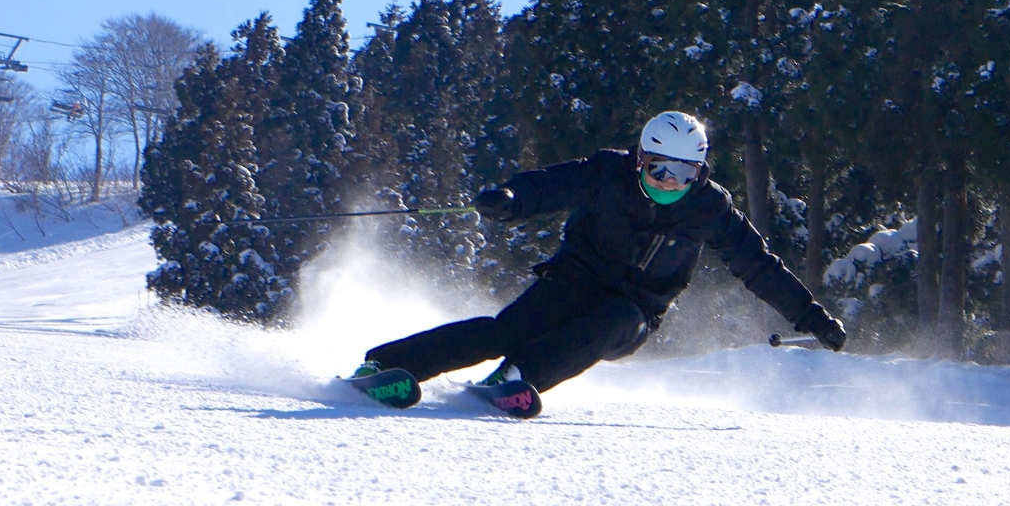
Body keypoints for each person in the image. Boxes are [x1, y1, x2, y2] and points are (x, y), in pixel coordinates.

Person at [350, 111, 847, 413]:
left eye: (684, 173)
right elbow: (550, 185)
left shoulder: (709, 208)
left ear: (700, 171)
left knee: (613, 320)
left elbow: (759, 266)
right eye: (659, 170)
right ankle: (386, 365)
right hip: (573, 280)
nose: (670, 183)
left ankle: (518, 377)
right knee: (503, 332)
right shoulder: (607, 172)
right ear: (640, 160)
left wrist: (812, 319)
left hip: (636, 308)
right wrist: (510, 198)